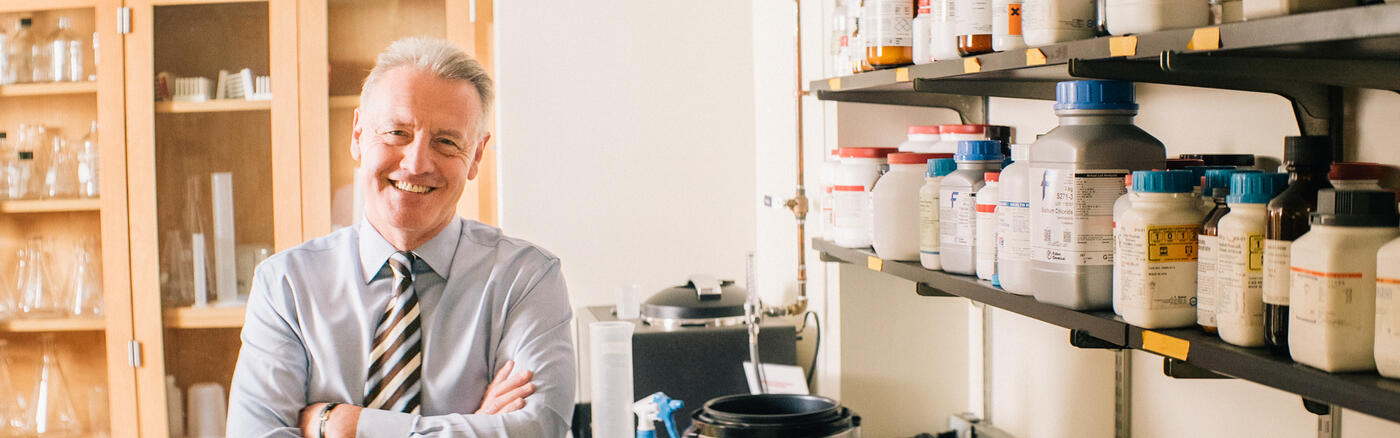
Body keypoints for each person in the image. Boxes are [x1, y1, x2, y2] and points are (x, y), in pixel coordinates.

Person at [227, 37, 575, 437]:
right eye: (396, 132)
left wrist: (348, 425)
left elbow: (539, 429)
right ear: (358, 135)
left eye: (446, 141)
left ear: (476, 155)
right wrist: (478, 427)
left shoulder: (527, 279)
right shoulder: (285, 285)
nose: (416, 163)